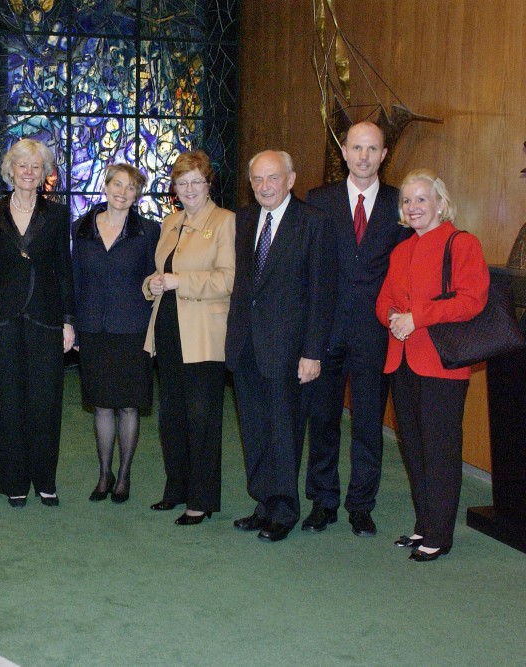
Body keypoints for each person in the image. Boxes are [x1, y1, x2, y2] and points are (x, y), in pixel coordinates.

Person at [301, 122, 411, 537]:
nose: (364, 156)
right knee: (323, 421)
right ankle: (323, 501)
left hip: (375, 333)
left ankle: (361, 505)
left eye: (372, 149)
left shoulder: (400, 204)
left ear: (384, 155)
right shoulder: (318, 201)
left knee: (368, 425)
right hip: (325, 333)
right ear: (343, 152)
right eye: (356, 148)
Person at [376, 169, 488, 562]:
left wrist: (416, 317)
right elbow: (384, 299)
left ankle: (440, 534)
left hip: (441, 363)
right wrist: (392, 315)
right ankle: (425, 524)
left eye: (421, 199)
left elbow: (472, 300)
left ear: (440, 203)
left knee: (439, 449)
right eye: (407, 200)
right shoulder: (401, 249)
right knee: (414, 449)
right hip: (402, 360)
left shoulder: (462, 244)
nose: (413, 206)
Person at [225, 150, 335, 543]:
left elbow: (322, 294)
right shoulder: (244, 219)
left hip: (289, 349)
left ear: (290, 179)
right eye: (257, 179)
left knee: (284, 429)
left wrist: (313, 351)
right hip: (245, 344)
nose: (264, 186)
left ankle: (285, 509)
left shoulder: (314, 223)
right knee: (254, 429)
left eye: (272, 178)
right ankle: (263, 503)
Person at [143, 151, 236, 525]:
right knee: (172, 418)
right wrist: (150, 285)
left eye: (196, 181)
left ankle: (202, 499)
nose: (190, 189)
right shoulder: (170, 222)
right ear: (174, 189)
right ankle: (176, 488)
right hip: (167, 328)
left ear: (209, 183)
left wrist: (182, 281)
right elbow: (160, 272)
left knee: (202, 418)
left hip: (203, 334)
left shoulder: (226, 222)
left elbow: (228, 280)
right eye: (182, 183)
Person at [0, 139, 75, 507]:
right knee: (7, 400)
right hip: (3, 318)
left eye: (36, 166)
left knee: (46, 400)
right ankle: (15, 482)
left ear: (44, 173)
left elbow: (64, 271)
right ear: (11, 170)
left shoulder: (57, 214)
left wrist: (69, 321)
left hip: (46, 317)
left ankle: (45, 481)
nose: (28, 172)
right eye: (22, 165)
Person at [72, 163, 159, 504]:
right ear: (105, 186)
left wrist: (153, 334)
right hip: (94, 329)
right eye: (117, 185)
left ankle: (124, 477)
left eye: (131, 187)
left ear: (138, 194)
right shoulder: (82, 228)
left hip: (133, 330)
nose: (122, 192)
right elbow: (76, 280)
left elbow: (155, 285)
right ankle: (104, 473)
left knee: (128, 407)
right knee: (102, 406)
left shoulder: (148, 231)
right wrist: (76, 327)